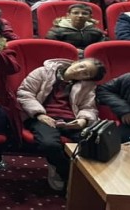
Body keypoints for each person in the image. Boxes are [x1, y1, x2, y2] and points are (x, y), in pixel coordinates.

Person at [17, 58, 105, 190]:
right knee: (49, 144)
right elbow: (25, 93)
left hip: (71, 119)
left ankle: (82, 177)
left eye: (86, 73)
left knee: (94, 142)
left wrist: (83, 120)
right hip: (42, 116)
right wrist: (39, 114)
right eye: (81, 66)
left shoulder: (87, 85)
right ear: (75, 62)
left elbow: (88, 107)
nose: (80, 71)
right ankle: (68, 174)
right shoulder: (43, 72)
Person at [96, 73, 130, 142]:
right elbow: (102, 90)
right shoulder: (129, 78)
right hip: (128, 126)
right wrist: (125, 110)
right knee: (110, 142)